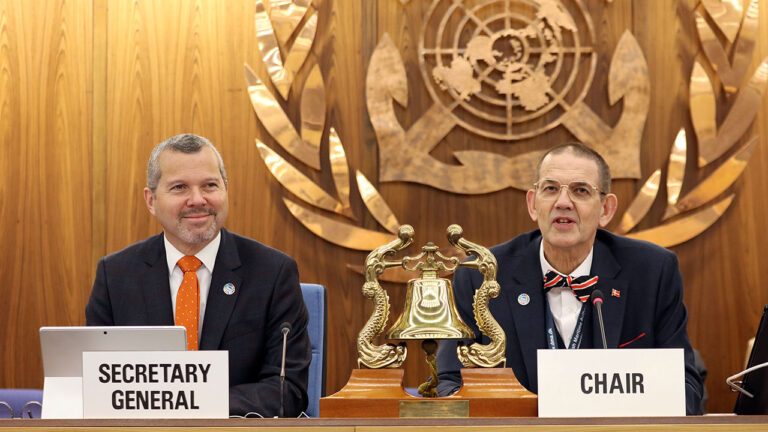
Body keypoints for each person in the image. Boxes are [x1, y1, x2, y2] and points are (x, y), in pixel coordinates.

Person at [436, 143, 704, 415]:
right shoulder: (480, 275)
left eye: (580, 191)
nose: (563, 203)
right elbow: (450, 383)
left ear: (606, 210)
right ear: (533, 203)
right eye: (551, 189)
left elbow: (685, 387)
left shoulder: (652, 272)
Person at [85, 133, 311, 417]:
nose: (197, 199)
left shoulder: (273, 273)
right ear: (151, 200)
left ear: (225, 190)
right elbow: (97, 382)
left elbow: (286, 390)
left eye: (210, 185)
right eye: (179, 187)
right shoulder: (116, 275)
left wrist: (192, 402)